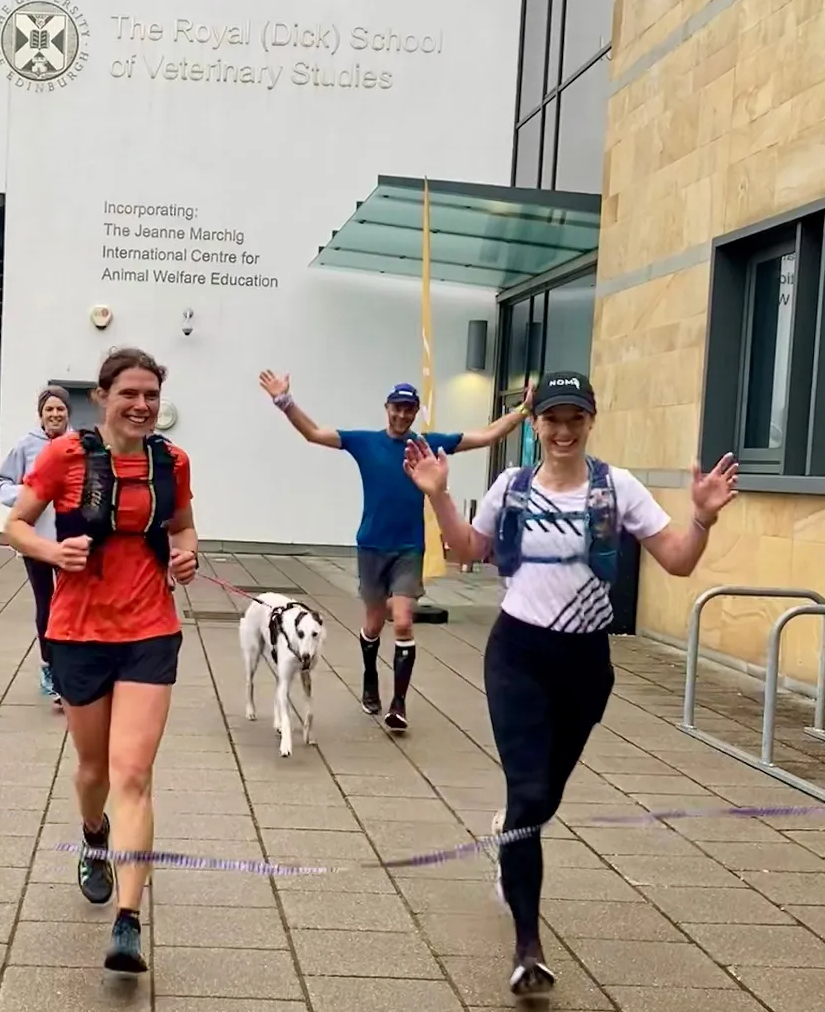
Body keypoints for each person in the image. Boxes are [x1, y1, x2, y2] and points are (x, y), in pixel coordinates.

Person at [402, 370, 738, 997]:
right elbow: (467, 549)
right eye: (551, 419)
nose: (562, 430)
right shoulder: (513, 485)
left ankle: (511, 836)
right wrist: (439, 496)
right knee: (529, 793)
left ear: (590, 422)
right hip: (518, 657)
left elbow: (678, 560)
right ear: (535, 426)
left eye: (573, 419)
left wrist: (702, 520)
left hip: (586, 666)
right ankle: (527, 948)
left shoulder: (618, 487)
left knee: (541, 801)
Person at [4, 347, 197, 974]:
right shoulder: (65, 456)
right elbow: (16, 526)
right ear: (104, 398)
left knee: (133, 774)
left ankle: (128, 921)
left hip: (149, 628)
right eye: (129, 395)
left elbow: (185, 527)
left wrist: (186, 555)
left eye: (151, 396)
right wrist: (52, 553)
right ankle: (94, 836)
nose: (142, 406)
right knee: (93, 770)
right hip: (79, 632)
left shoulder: (172, 462)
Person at [259, 369, 531, 731]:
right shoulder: (365, 442)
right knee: (373, 622)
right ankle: (370, 674)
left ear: (416, 411)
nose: (402, 415)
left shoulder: (427, 443)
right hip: (372, 545)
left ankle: (398, 703)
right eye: (397, 408)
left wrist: (523, 412)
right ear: (386, 408)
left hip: (408, 548)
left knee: (402, 620)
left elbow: (484, 437)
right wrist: (284, 401)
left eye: (409, 409)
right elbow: (314, 433)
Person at [0, 385, 73, 706]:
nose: (55, 414)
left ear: (68, 413)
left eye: (60, 409)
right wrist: (26, 498)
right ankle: (50, 667)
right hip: (35, 539)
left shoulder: (80, 444)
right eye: (49, 409)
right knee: (47, 605)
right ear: (40, 414)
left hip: (70, 541)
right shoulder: (26, 446)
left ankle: (70, 670)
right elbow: (0, 483)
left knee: (70, 607)